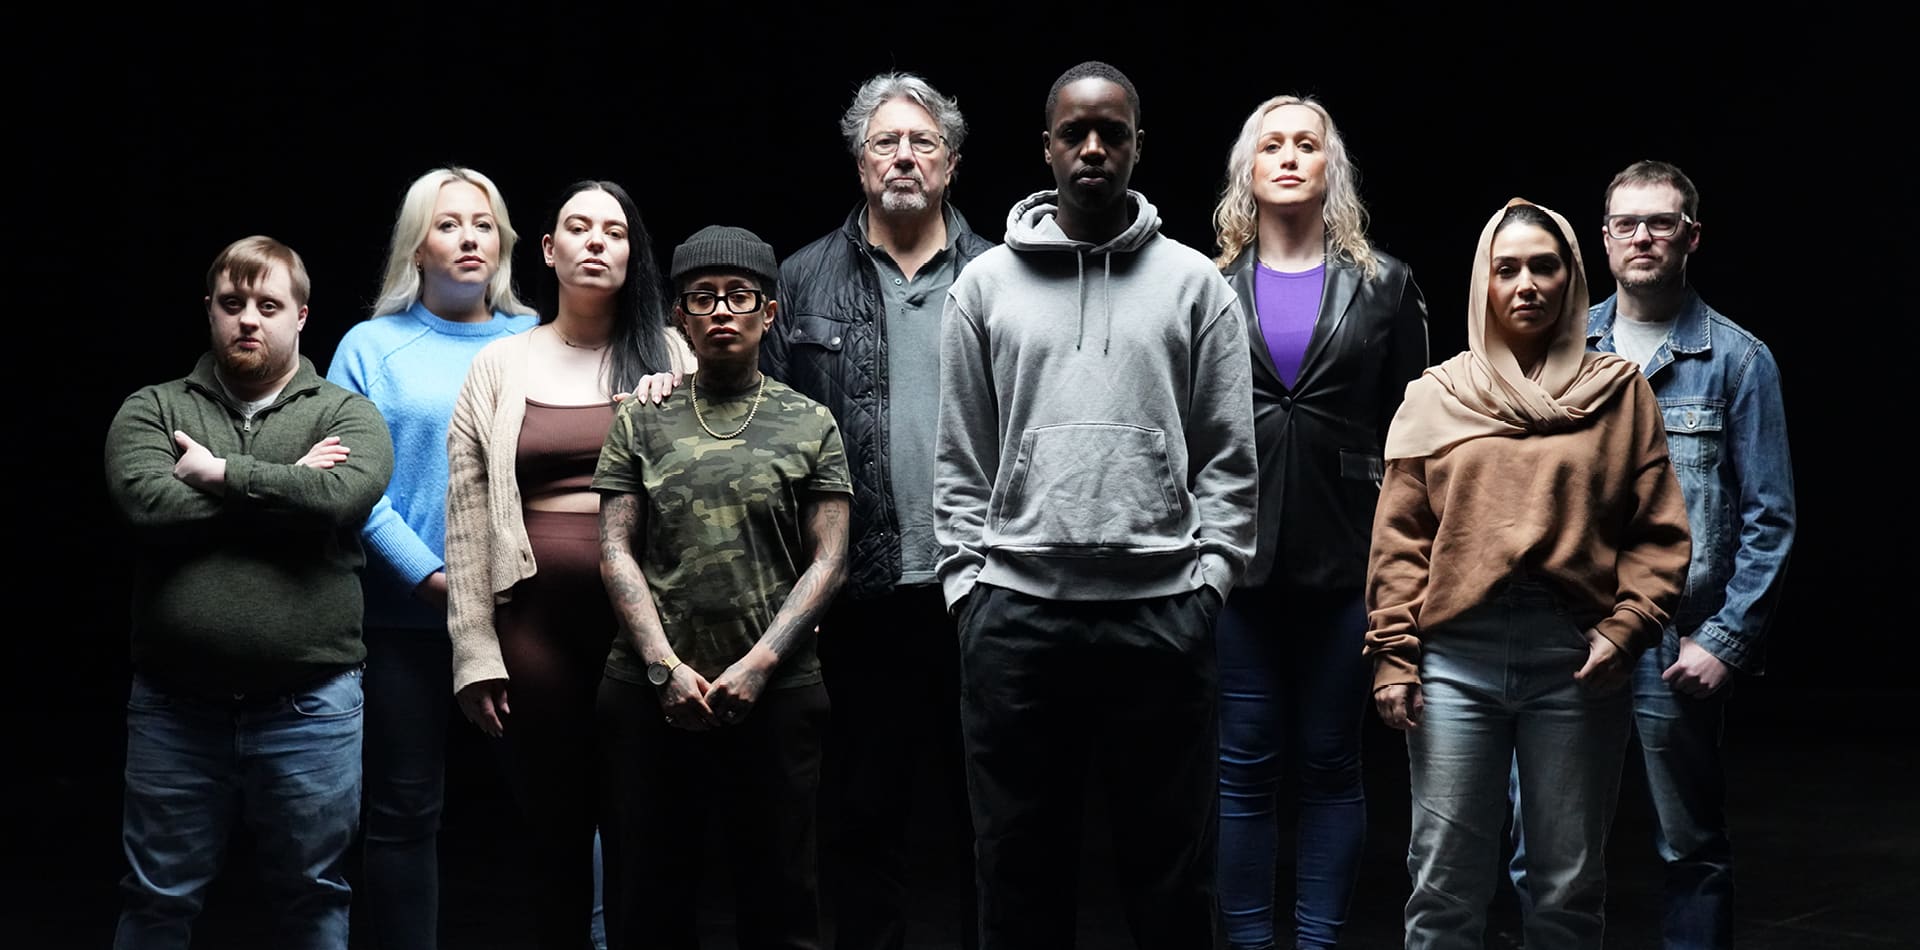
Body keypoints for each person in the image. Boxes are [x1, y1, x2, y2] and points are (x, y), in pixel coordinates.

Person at [934, 61, 1257, 950]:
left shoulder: (1195, 285)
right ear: (1046, 147)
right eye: (1073, 132)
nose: (1091, 148)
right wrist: (968, 590)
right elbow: (960, 458)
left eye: (1111, 133)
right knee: (1018, 872)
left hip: (1161, 614)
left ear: (1137, 147)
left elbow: (1230, 458)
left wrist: (1209, 584)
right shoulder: (984, 286)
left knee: (1170, 876)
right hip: (1017, 617)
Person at [1366, 198, 1691, 950]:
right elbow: (1401, 540)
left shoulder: (1620, 392)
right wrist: (1392, 656)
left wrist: (1628, 628)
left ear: (1571, 278)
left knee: (1567, 888)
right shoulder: (1436, 394)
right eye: (1506, 268)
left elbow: (1658, 531)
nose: (1526, 285)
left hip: (1574, 658)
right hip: (1455, 656)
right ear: (1483, 283)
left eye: (1545, 267)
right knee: (1444, 887)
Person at [1509, 161, 1796, 949]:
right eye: (1627, 223)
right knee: (1543, 851)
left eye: (1660, 223)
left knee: (1691, 848)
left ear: (1690, 237)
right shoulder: (1560, 347)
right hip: (1567, 640)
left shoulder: (1739, 360)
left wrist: (1726, 641)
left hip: (1676, 641)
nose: (1643, 237)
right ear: (1603, 239)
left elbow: (1771, 518)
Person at [104, 235, 394, 949]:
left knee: (313, 899)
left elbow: (341, 498)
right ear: (210, 309)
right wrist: (289, 483)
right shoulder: (153, 408)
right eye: (233, 304)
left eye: (268, 305)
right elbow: (147, 505)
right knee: (156, 900)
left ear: (301, 316)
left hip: (311, 707)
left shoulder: (347, 414)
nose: (248, 320)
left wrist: (218, 475)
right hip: (175, 707)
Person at [768, 71, 994, 950]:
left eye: (922, 141)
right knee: (863, 819)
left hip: (982, 588)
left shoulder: (1001, 272)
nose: (904, 156)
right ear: (861, 162)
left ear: (952, 162)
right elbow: (771, 445)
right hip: (856, 596)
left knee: (992, 815)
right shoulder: (801, 280)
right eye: (885, 142)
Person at [444, 180, 691, 950]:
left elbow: (714, 482)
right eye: (578, 229)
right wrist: (472, 650)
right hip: (534, 631)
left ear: (631, 254)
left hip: (647, 632)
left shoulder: (673, 355)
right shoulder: (499, 364)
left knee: (648, 839)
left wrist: (675, 404)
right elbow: (466, 513)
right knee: (553, 842)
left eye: (613, 233)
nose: (595, 243)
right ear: (549, 251)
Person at [1208, 94, 1428, 950]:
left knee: (1333, 765)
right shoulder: (1206, 285)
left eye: (1308, 143)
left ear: (1332, 167)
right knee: (1242, 769)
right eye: (1274, 145)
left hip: (1350, 564)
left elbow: (1415, 438)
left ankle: (1318, 944)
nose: (1292, 156)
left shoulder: (1386, 284)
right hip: (1237, 566)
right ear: (1250, 169)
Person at [595, 225, 852, 949]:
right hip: (651, 694)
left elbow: (831, 558)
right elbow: (614, 549)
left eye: (739, 296)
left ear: (768, 313)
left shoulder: (810, 422)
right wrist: (663, 667)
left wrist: (759, 666)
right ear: (680, 316)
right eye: (701, 298)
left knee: (781, 899)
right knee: (651, 899)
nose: (720, 312)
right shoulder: (642, 417)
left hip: (778, 690)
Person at [324, 166, 538, 950]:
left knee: (561, 800)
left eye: (483, 224)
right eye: (448, 224)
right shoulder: (370, 347)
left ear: (504, 242)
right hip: (405, 621)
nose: (469, 238)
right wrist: (431, 579)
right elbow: (352, 480)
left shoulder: (537, 338)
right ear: (416, 246)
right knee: (404, 812)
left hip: (520, 617)